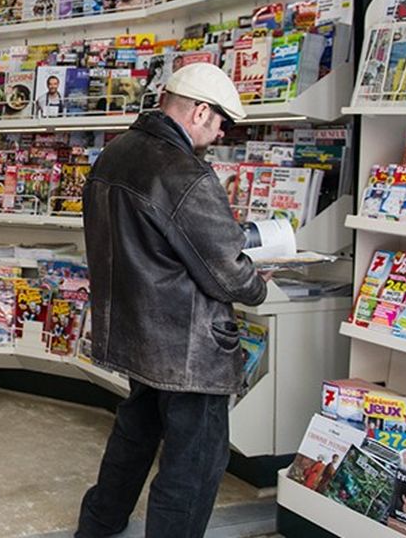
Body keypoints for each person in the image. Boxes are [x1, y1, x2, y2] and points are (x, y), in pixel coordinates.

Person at [75, 63, 267, 538]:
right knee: (193, 466)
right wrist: (258, 283)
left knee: (134, 438)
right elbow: (228, 272)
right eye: (221, 119)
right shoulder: (184, 172)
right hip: (187, 350)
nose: (222, 132)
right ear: (200, 110)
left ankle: (97, 527)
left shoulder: (114, 154)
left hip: (135, 335)